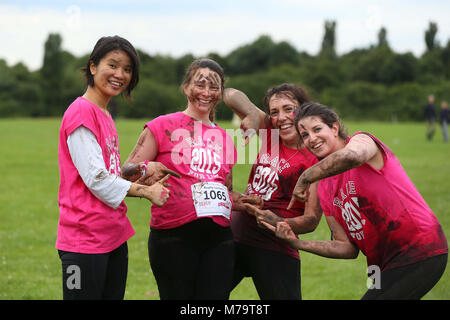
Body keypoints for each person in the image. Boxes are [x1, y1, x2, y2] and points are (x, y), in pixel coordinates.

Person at [266, 101, 448, 300]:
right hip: (377, 266)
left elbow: (352, 156)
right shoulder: (324, 187)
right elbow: (346, 247)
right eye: (305, 135)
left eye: (317, 129)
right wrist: (297, 243)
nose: (312, 139)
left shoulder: (362, 141)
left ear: (334, 127)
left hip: (419, 248)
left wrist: (305, 176)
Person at [56, 36, 171, 300]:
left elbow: (108, 172)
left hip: (112, 235)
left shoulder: (103, 113)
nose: (120, 74)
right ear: (93, 66)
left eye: (128, 69)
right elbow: (96, 179)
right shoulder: (81, 112)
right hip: (83, 242)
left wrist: (142, 170)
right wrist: (145, 192)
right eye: (113, 65)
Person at [122, 58, 238, 300]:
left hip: (219, 238)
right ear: (186, 87)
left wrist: (243, 202)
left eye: (214, 87)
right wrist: (147, 168)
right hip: (173, 237)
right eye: (200, 84)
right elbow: (123, 174)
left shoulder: (225, 138)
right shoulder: (162, 125)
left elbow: (226, 188)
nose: (206, 92)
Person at [222, 84, 322, 300]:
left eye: (289, 109)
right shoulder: (271, 133)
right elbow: (229, 94)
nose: (281, 117)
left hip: (275, 246)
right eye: (274, 111)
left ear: (305, 110)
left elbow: (312, 220)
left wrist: (278, 222)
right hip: (235, 235)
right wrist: (250, 113)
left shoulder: (316, 159)